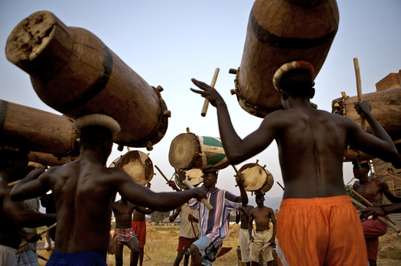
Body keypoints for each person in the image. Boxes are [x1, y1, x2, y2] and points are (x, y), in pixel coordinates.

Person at [191, 60, 401, 265]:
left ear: (283, 96)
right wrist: (368, 115)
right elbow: (391, 150)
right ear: (312, 93)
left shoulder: (280, 119)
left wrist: (220, 104)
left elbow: (235, 152)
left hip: (300, 212)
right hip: (343, 212)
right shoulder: (342, 123)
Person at [10, 114, 207, 266]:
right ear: (107, 144)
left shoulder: (56, 173)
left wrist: (35, 173)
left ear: (81, 143)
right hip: (89, 260)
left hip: (57, 259)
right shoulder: (110, 176)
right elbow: (155, 200)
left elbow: (16, 192)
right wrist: (191, 192)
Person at [0, 147, 55, 266]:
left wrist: (24, 234)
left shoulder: (5, 185)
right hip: (3, 251)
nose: (26, 163)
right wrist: (60, 216)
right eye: (23, 159)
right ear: (10, 162)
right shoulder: (3, 188)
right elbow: (22, 217)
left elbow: (5, 219)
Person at [189, 169, 247, 266]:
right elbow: (191, 204)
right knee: (203, 263)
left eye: (208, 176)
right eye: (204, 176)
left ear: (216, 179)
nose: (205, 178)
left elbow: (242, 202)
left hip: (215, 236)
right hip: (203, 236)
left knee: (194, 248)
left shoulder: (223, 195)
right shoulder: (201, 195)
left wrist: (241, 185)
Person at [352, 160, 401, 266]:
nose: (354, 170)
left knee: (352, 232)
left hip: (379, 220)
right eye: (353, 167)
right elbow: (357, 206)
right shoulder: (356, 187)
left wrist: (383, 209)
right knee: (371, 256)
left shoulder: (378, 183)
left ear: (366, 169)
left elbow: (394, 200)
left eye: (357, 166)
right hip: (365, 221)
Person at [248, 192, 276, 266]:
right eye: (257, 198)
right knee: (254, 257)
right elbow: (249, 224)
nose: (259, 200)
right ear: (255, 199)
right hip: (257, 235)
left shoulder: (269, 210)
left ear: (264, 199)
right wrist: (250, 236)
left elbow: (275, 223)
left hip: (267, 235)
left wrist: (273, 238)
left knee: (269, 257)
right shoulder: (253, 211)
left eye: (260, 198)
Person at [111, 197, 139, 266]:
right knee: (118, 259)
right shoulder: (115, 205)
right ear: (120, 193)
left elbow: (146, 211)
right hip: (119, 232)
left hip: (129, 232)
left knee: (136, 249)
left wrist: (155, 206)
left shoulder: (132, 204)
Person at [235, 193, 253, 266]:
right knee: (244, 248)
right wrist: (237, 213)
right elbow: (237, 221)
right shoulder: (239, 208)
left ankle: (253, 263)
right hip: (242, 230)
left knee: (251, 248)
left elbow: (249, 218)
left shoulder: (251, 207)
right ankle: (247, 264)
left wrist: (243, 210)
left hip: (249, 230)